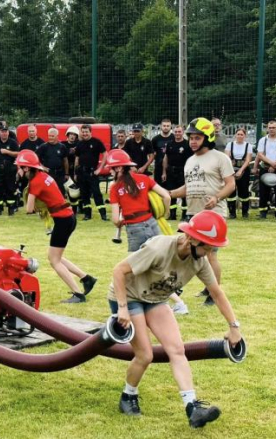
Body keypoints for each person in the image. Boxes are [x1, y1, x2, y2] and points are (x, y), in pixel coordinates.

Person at [110, 210, 241, 428]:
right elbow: (119, 270)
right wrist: (122, 308)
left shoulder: (199, 261)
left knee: (177, 350)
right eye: (207, 246)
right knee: (145, 355)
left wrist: (234, 326)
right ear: (191, 239)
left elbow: (216, 293)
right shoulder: (159, 248)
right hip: (129, 297)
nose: (210, 251)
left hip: (155, 300)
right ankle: (128, 396)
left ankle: (193, 409)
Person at [107, 149, 186, 314]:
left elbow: (115, 219)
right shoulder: (144, 179)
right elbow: (166, 196)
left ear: (119, 168)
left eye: (113, 168)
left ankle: (174, 303)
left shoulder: (115, 188)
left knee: (132, 269)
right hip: (152, 223)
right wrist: (163, 213)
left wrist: (120, 222)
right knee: (157, 265)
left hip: (135, 229)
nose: (111, 171)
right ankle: (174, 301)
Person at [167, 117, 235, 306]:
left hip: (214, 214)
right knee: (183, 250)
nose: (193, 141)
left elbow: (231, 184)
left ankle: (215, 294)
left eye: (197, 138)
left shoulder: (220, 158)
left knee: (210, 254)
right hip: (192, 213)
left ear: (208, 138)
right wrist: (167, 194)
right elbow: (187, 188)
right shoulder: (189, 161)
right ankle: (190, 286)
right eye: (191, 138)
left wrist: (217, 198)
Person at [16, 149, 97, 304]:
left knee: (54, 260)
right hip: (68, 217)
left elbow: (29, 209)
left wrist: (35, 203)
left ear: (26, 168)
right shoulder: (44, 176)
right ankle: (86, 278)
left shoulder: (34, 182)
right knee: (57, 257)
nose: (19, 169)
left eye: (20, 167)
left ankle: (78, 294)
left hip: (62, 220)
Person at [253, 120, 276, 219]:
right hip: (265, 168)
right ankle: (263, 212)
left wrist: (275, 165)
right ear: (267, 129)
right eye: (269, 127)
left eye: (273, 127)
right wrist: (270, 163)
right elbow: (260, 154)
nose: (271, 129)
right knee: (263, 191)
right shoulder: (262, 140)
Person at [75, 124, 108, 221]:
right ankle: (87, 215)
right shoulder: (79, 144)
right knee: (84, 194)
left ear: (90, 132)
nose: (85, 134)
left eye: (86, 132)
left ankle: (103, 215)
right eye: (83, 132)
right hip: (82, 172)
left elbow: (105, 154)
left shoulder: (96, 142)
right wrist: (76, 173)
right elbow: (77, 158)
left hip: (92, 172)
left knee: (96, 193)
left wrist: (100, 169)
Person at [162, 125, 192, 220]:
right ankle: (172, 214)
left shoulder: (187, 144)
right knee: (171, 192)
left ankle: (185, 214)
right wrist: (164, 172)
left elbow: (191, 159)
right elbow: (166, 158)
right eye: (176, 132)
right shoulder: (170, 144)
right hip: (171, 171)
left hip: (183, 171)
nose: (177, 134)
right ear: (173, 132)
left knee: (184, 193)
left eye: (179, 132)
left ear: (183, 132)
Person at [0, 124, 20, 215]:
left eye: (6, 131)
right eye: (2, 131)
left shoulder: (13, 142)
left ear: (8, 132)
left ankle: (11, 208)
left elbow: (18, 153)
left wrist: (7, 152)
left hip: (10, 169)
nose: (4, 133)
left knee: (10, 188)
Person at [224, 128, 253, 219]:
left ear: (245, 136)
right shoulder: (230, 145)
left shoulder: (248, 146)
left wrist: (241, 170)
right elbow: (227, 157)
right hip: (231, 169)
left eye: (242, 134)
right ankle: (232, 212)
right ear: (235, 135)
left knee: (244, 191)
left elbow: (248, 160)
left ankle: (245, 212)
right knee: (231, 191)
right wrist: (231, 170)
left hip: (244, 169)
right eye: (238, 134)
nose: (240, 136)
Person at [36, 128, 70, 198]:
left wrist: (66, 173)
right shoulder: (43, 146)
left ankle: (61, 207)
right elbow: (35, 158)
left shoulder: (62, 147)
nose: (50, 138)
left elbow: (65, 160)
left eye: (52, 136)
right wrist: (42, 167)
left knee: (61, 192)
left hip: (60, 173)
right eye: (49, 136)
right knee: (48, 192)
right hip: (48, 173)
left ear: (57, 136)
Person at [151, 119, 173, 183]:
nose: (166, 127)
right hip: (158, 168)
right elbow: (152, 154)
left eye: (168, 126)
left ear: (170, 127)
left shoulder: (174, 138)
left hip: (171, 168)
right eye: (164, 126)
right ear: (161, 126)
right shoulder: (155, 139)